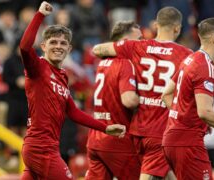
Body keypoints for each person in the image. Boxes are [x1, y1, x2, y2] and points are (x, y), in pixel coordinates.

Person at [19, 2, 126, 180]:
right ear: (44, 46)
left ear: (69, 49)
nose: (58, 46)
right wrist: (39, 15)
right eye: (53, 42)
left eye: (63, 43)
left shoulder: (62, 75)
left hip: (43, 147)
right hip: (41, 148)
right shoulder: (37, 67)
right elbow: (24, 47)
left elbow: (74, 112)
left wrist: (105, 129)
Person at [92, 7, 192, 180]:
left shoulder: (137, 47)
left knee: (167, 174)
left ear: (155, 25)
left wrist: (116, 52)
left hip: (138, 128)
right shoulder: (187, 55)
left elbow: (98, 49)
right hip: (161, 128)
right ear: (177, 28)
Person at [161, 17, 214, 180]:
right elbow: (205, 112)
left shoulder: (190, 59)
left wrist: (184, 119)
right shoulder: (204, 66)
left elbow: (166, 93)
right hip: (188, 143)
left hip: (172, 139)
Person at [86, 21, 142, 180]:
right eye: (138, 39)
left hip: (95, 138)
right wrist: (149, 101)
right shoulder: (126, 63)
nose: (141, 44)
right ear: (124, 41)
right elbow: (129, 100)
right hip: (118, 138)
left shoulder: (102, 62)